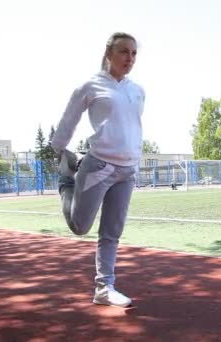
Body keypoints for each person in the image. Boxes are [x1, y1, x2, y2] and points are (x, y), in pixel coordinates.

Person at [51, 32, 145, 308]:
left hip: (127, 171)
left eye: (134, 53)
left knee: (111, 232)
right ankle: (66, 183)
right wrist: (60, 149)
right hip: (99, 165)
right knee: (80, 226)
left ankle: (104, 288)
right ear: (109, 53)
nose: (130, 58)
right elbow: (69, 118)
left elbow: (129, 127)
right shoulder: (90, 86)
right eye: (124, 52)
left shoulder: (137, 90)